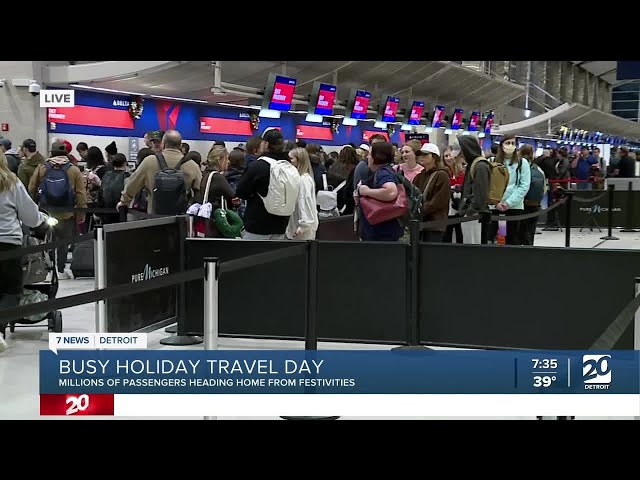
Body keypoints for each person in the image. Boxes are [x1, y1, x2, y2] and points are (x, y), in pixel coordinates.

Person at [0, 151, 49, 351]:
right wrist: (41, 222)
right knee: (11, 291)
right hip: (8, 244)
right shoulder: (11, 183)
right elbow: (30, 216)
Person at [29, 142, 87, 279]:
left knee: (47, 242)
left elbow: (32, 188)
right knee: (63, 242)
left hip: (45, 212)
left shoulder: (42, 168)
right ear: (66, 153)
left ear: (51, 153)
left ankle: (48, 269)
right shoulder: (73, 170)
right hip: (66, 213)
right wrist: (81, 213)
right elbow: (80, 194)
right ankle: (60, 270)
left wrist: (34, 207)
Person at [118, 130, 202, 214]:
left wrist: (124, 202)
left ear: (163, 143)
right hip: (180, 219)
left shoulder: (149, 161)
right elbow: (201, 191)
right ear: (180, 145)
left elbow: (132, 184)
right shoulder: (192, 165)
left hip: (155, 218)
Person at [235, 128, 293, 240]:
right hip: (282, 224)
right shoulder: (289, 166)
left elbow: (241, 191)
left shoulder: (258, 166)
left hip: (258, 224)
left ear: (266, 144)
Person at [354, 141, 404, 242]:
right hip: (381, 230)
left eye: (369, 154)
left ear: (377, 156)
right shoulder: (385, 171)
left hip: (381, 232)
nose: (367, 157)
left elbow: (390, 192)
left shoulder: (383, 173)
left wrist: (366, 191)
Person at [495, 135, 531, 245]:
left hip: (514, 207)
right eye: (507, 143)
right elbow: (490, 185)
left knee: (512, 240)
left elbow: (524, 186)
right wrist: (496, 202)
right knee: (497, 239)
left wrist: (508, 203)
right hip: (496, 206)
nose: (510, 146)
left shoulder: (522, 163)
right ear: (501, 145)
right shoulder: (493, 161)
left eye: (513, 143)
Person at [412, 143, 451, 242]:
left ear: (434, 157)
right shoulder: (420, 176)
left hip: (435, 224)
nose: (421, 157)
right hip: (420, 222)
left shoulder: (442, 175)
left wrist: (421, 210)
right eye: (420, 154)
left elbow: (439, 200)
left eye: (425, 155)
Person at [457, 136, 490, 244]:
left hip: (475, 216)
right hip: (470, 214)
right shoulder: (474, 164)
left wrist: (470, 210)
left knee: (474, 243)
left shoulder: (480, 166)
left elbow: (480, 193)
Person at [286, 148, 318, 240]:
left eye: (291, 159)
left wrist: (303, 225)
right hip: (297, 225)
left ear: (299, 160)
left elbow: (305, 201)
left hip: (301, 230)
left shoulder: (304, 180)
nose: (288, 161)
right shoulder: (299, 178)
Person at [99, 153, 130, 225]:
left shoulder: (106, 175)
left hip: (106, 212)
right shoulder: (127, 176)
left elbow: (100, 194)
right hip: (121, 212)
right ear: (125, 163)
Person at [442, 145, 465, 243]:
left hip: (460, 205)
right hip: (447, 206)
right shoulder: (442, 171)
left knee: (460, 232)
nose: (448, 158)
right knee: (447, 232)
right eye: (446, 156)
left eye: (450, 155)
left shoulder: (462, 170)